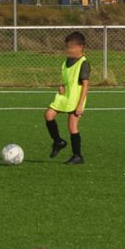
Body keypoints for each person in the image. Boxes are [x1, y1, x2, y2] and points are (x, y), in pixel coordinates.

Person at [45, 30, 91, 165]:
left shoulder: (83, 63)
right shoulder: (66, 61)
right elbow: (68, 79)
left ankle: (77, 156)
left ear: (80, 47)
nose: (68, 50)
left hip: (76, 99)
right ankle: (58, 141)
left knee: (72, 126)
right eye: (67, 47)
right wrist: (62, 86)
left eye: (71, 47)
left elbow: (85, 85)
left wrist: (80, 105)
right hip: (65, 96)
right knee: (48, 115)